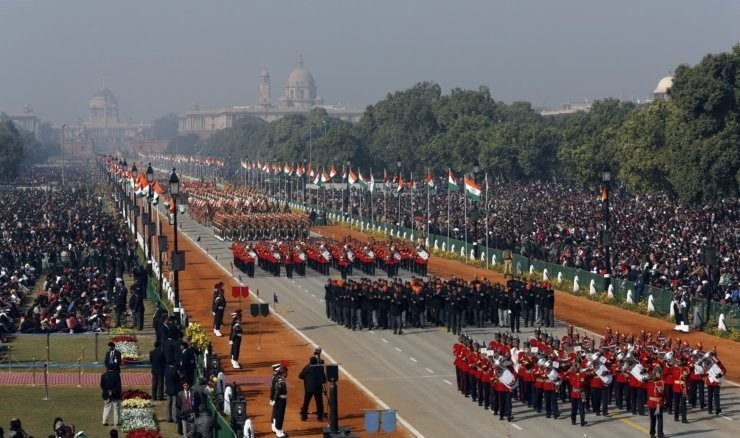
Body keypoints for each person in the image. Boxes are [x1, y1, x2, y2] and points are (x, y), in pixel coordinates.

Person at [299, 356, 327, 421]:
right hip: (317, 388)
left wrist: (306, 379)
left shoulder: (307, 367)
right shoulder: (319, 368)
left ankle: (304, 417)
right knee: (319, 403)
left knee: (306, 402)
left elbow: (300, 376)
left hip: (308, 389)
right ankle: (320, 417)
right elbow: (324, 379)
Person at [647, 366, 666, 438]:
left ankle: (656, 434)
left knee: (657, 419)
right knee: (655, 419)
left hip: (656, 403)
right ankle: (655, 434)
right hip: (654, 403)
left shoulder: (659, 383)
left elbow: (662, 391)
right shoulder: (652, 382)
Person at [271, 363, 289, 437]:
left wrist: (273, 400)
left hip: (278, 399)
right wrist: (274, 400)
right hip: (280, 400)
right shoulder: (280, 380)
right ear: (282, 372)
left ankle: (276, 428)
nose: (286, 373)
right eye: (285, 372)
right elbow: (277, 391)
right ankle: (279, 431)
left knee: (276, 414)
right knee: (280, 415)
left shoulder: (277, 377)